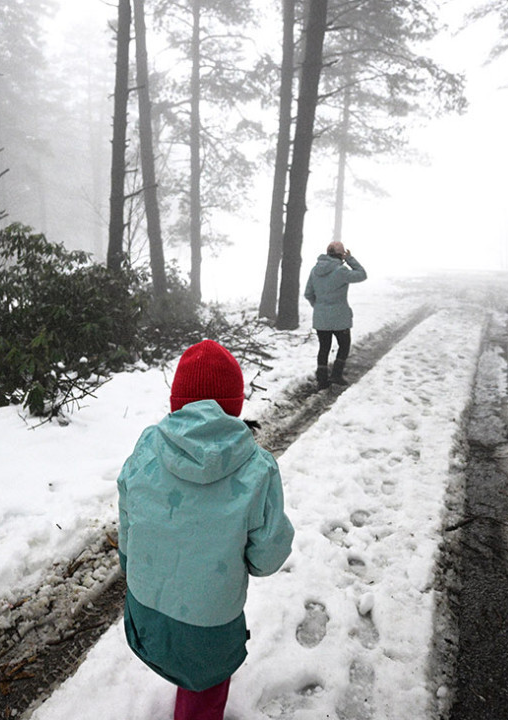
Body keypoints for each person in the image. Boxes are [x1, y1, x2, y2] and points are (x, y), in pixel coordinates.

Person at [117, 339, 295, 720]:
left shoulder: (147, 446)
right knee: (204, 690)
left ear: (176, 401)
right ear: (235, 404)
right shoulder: (258, 469)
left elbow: (128, 525)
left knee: (181, 653)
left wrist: (133, 564)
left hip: (144, 618)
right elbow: (267, 558)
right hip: (209, 634)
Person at [303, 240, 367, 389]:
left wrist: (318, 306)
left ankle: (322, 379)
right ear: (341, 255)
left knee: (324, 347)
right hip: (340, 317)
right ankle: (336, 375)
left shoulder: (314, 270)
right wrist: (350, 259)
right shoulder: (341, 271)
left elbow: (308, 293)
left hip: (321, 317)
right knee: (344, 345)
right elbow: (362, 275)